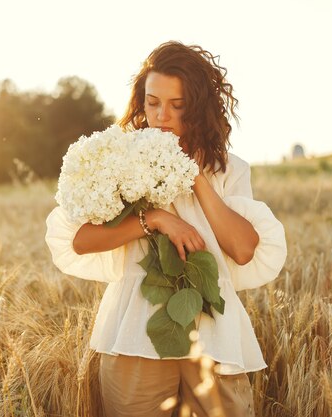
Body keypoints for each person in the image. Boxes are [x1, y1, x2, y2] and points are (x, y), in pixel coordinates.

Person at [45, 41, 287, 417]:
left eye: (178, 106)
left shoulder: (229, 168)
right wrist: (154, 220)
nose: (162, 116)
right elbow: (79, 240)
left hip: (212, 334)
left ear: (199, 108)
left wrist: (196, 179)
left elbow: (242, 249)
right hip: (137, 332)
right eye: (153, 102)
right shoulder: (118, 160)